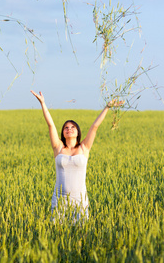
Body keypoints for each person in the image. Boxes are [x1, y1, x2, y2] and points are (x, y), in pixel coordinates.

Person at [31, 90, 123, 220]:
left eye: (72, 127)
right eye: (66, 128)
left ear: (78, 131)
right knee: (58, 234)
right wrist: (43, 103)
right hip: (59, 200)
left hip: (80, 201)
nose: (69, 129)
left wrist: (107, 107)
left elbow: (95, 126)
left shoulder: (84, 148)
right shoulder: (58, 148)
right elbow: (51, 125)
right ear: (63, 133)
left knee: (80, 234)